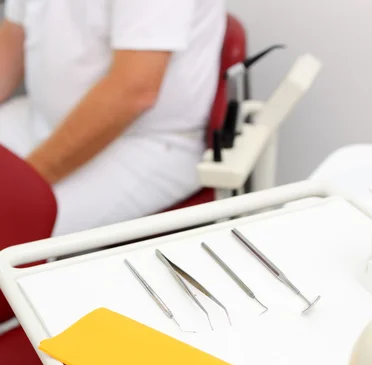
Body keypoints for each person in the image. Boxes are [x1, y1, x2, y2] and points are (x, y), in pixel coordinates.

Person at [0, 0, 226, 236]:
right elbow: (12, 41)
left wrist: (20, 186)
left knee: (12, 228)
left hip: (145, 143)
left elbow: (134, 90)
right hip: (39, 118)